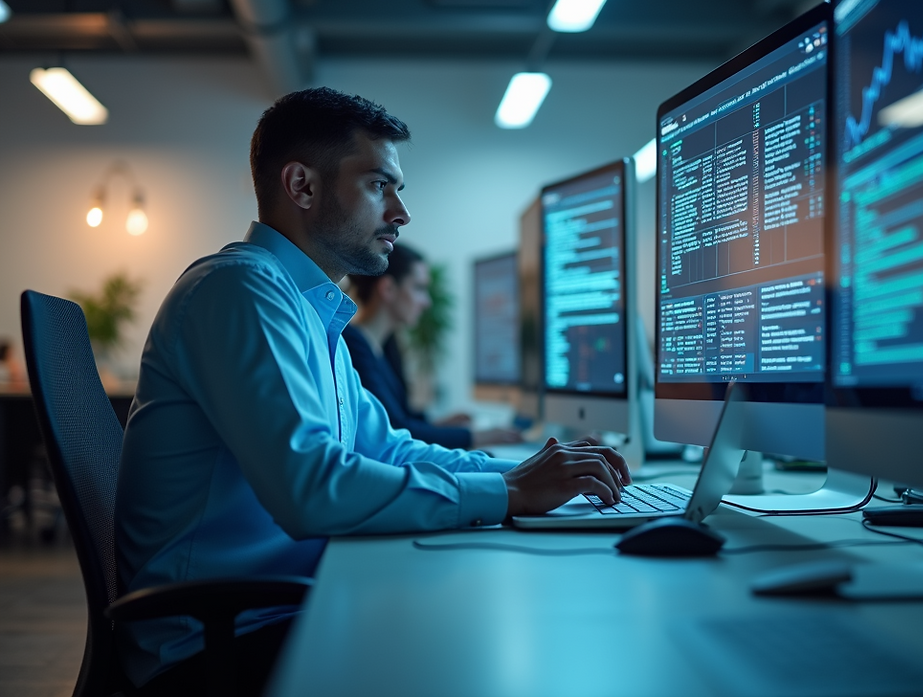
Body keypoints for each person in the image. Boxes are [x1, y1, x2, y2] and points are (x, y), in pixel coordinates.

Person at [114, 87, 631, 696]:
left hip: (280, 606)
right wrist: (509, 490)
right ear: (302, 186)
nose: (401, 213)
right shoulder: (239, 292)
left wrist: (532, 472)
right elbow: (311, 489)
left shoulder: (309, 309)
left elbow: (388, 450)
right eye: (378, 185)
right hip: (213, 643)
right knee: (490, 647)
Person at [344, 242, 523, 449]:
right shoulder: (353, 343)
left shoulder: (386, 345)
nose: (426, 302)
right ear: (388, 288)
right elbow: (396, 430)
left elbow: (403, 417)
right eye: (419, 288)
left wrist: (438, 425)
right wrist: (478, 436)